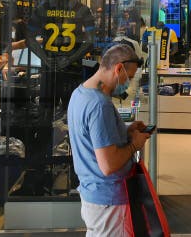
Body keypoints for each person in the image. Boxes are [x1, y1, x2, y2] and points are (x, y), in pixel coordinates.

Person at [68, 44, 152, 237]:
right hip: (109, 201)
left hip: (94, 196)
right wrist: (134, 145)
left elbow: (93, 139)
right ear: (118, 69)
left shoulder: (80, 94)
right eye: (129, 78)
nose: (128, 84)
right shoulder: (100, 105)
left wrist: (125, 131)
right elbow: (108, 164)